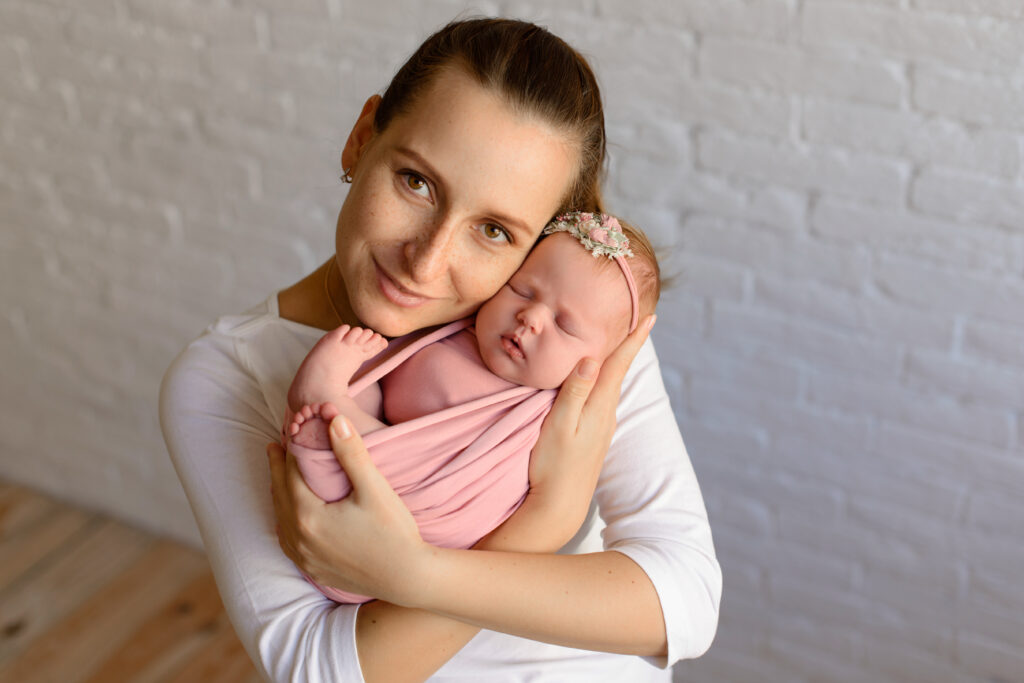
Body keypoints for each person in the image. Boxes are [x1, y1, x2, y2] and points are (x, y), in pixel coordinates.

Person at [159, 17, 720, 683]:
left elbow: (684, 601)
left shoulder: (565, 335)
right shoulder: (226, 377)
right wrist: (542, 520)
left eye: (493, 230)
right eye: (416, 182)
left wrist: (415, 574)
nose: (426, 262)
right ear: (362, 138)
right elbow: (320, 668)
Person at [284, 213, 660, 604]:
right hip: (350, 494)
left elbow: (487, 493)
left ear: (602, 362)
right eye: (522, 290)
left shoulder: (545, 415)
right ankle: (337, 414)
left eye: (564, 325)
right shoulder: (457, 328)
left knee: (352, 440)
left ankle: (327, 403)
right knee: (364, 386)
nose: (530, 317)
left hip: (420, 512)